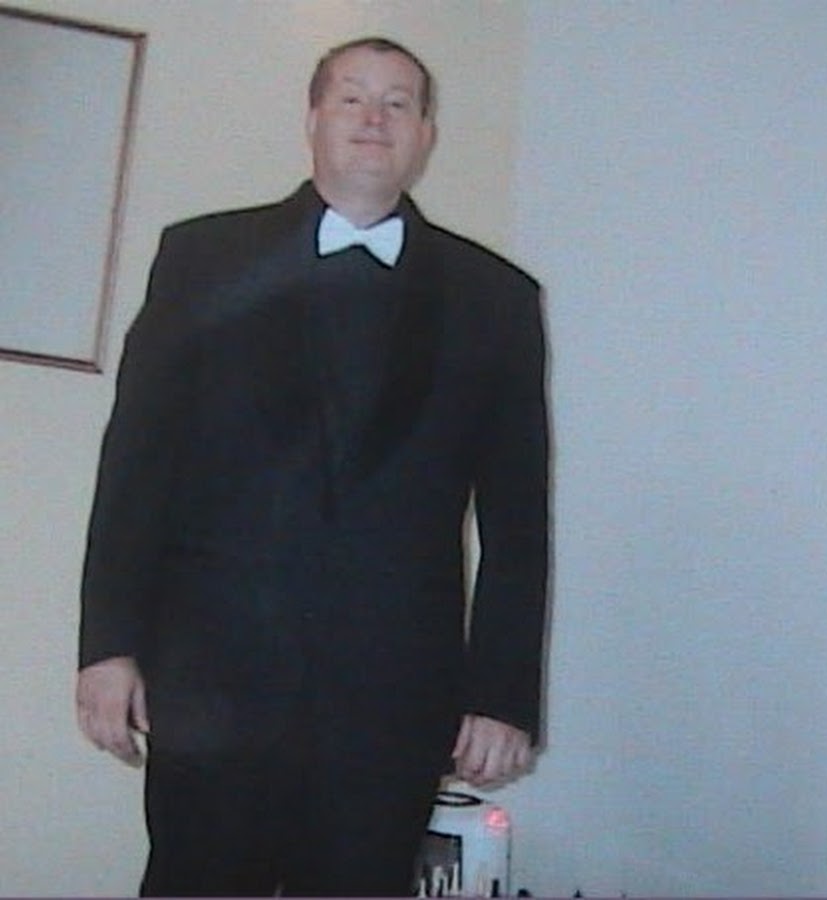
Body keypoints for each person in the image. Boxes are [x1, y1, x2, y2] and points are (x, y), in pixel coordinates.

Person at [76, 36, 549, 897]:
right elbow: (135, 468)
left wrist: (503, 695)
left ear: (425, 134)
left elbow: (519, 522)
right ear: (313, 119)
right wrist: (109, 646)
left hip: (392, 702)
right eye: (352, 97)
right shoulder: (202, 259)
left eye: (399, 103)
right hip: (211, 686)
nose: (374, 118)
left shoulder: (498, 299)